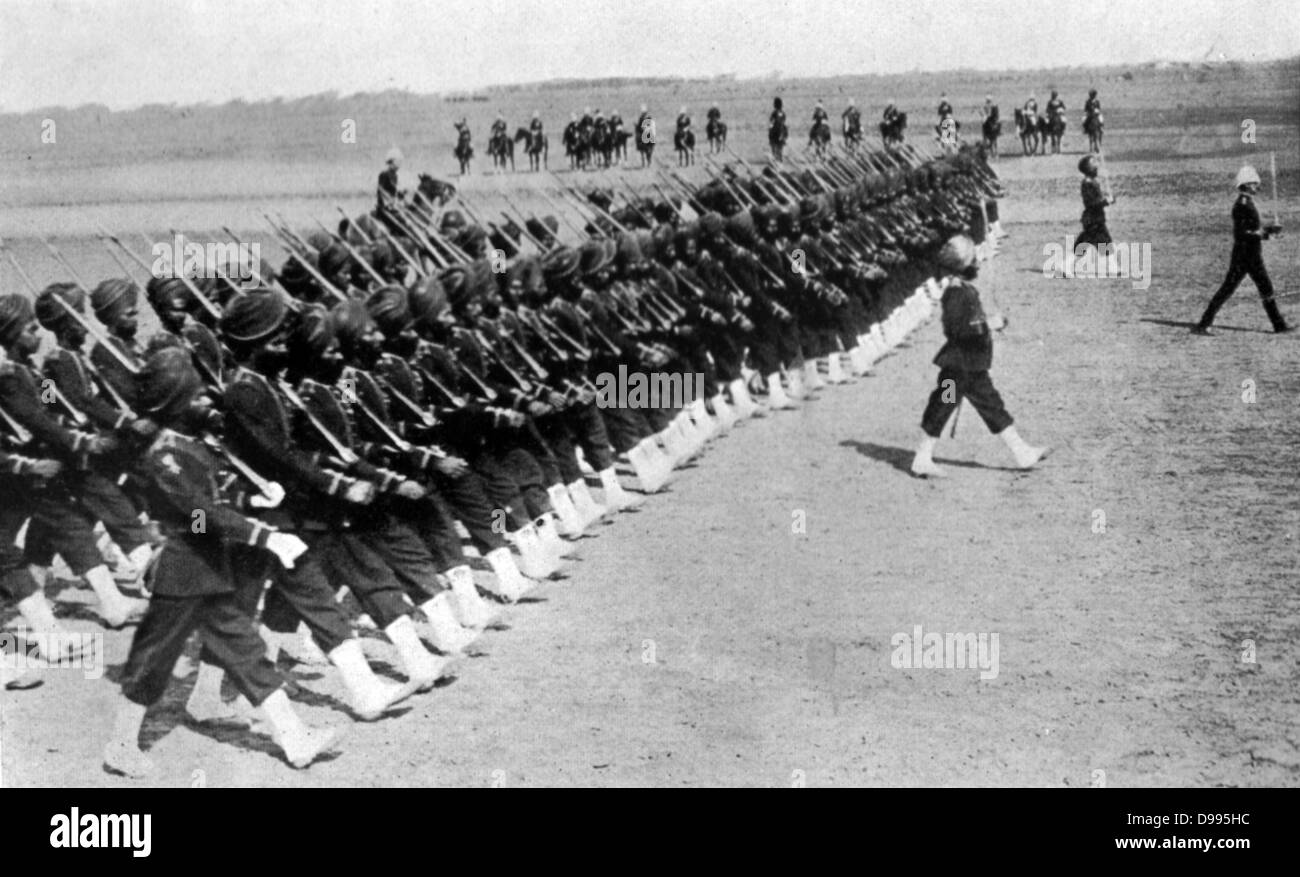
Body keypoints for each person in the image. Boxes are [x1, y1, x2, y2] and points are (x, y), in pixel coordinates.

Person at [102, 347, 343, 777]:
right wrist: (264, 535)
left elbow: (215, 500)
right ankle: (120, 746)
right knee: (151, 665)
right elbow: (200, 517)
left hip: (209, 572)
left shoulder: (191, 446)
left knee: (247, 653)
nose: (207, 401)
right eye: (195, 397)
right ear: (175, 406)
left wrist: (251, 497)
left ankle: (296, 739)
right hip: (182, 574)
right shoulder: (165, 456)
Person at [911, 235, 1047, 478]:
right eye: (973, 259)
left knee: (976, 406)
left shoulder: (962, 290)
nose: (978, 264)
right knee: (949, 407)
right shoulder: (956, 294)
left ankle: (1022, 452)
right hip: (961, 367)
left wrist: (985, 323)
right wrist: (989, 325)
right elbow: (956, 329)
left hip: (967, 368)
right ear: (963, 265)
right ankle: (1021, 452)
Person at [1193, 166, 1291, 335]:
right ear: (1245, 185)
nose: (1256, 186)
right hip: (1245, 255)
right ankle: (1203, 324)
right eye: (1253, 183)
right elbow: (1242, 233)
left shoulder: (1247, 203)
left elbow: (1253, 230)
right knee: (1231, 289)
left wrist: (1269, 231)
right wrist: (1263, 233)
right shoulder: (1241, 205)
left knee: (1262, 288)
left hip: (1250, 254)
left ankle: (1279, 325)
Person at [1076, 154, 1113, 249]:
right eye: (1094, 165)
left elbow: (1097, 199)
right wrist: (1106, 201)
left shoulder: (1092, 182)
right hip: (1093, 221)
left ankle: (1068, 263)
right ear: (1088, 169)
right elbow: (1092, 204)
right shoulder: (1087, 183)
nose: (1097, 167)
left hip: (1094, 220)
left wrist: (1108, 198)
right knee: (1106, 247)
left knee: (1081, 247)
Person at [769, 97, 789, 162]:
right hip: (781, 129)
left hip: (775, 129)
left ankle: (774, 157)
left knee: (772, 140)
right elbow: (784, 121)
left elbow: (771, 121)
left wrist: (770, 128)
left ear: (775, 105)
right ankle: (784, 141)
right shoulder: (783, 112)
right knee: (785, 131)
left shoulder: (774, 112)